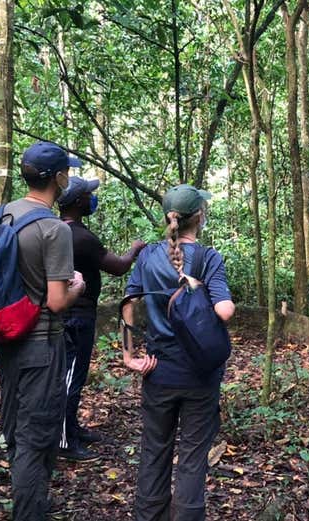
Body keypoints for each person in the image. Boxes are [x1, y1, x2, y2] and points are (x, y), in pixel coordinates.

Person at [122, 184, 235, 521]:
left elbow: (130, 304)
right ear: (198, 216)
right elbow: (225, 310)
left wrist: (129, 355)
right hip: (199, 375)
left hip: (158, 371)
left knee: (154, 450)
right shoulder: (208, 257)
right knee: (192, 457)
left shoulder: (147, 256)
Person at [0, 141, 86, 520]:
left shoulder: (5, 214)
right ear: (60, 178)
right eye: (68, 172)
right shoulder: (54, 229)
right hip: (42, 344)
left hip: (8, 339)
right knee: (37, 439)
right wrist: (76, 287)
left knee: (17, 431)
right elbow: (55, 301)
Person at [56, 176, 146, 461]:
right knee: (70, 377)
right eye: (88, 195)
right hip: (75, 316)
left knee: (75, 374)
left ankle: (71, 428)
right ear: (78, 201)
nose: (91, 199)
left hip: (72, 313)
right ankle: (63, 441)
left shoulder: (59, 230)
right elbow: (118, 267)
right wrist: (135, 249)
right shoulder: (80, 237)